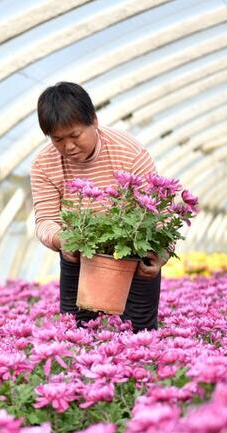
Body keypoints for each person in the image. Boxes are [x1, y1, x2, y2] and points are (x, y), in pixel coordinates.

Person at [30, 82, 169, 331]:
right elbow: (45, 221)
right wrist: (63, 240)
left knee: (140, 333)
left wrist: (162, 253)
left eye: (74, 135)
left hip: (134, 257)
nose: (68, 147)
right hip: (78, 255)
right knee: (76, 332)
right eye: (58, 139)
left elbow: (157, 214)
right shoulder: (43, 164)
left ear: (94, 120)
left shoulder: (130, 153)